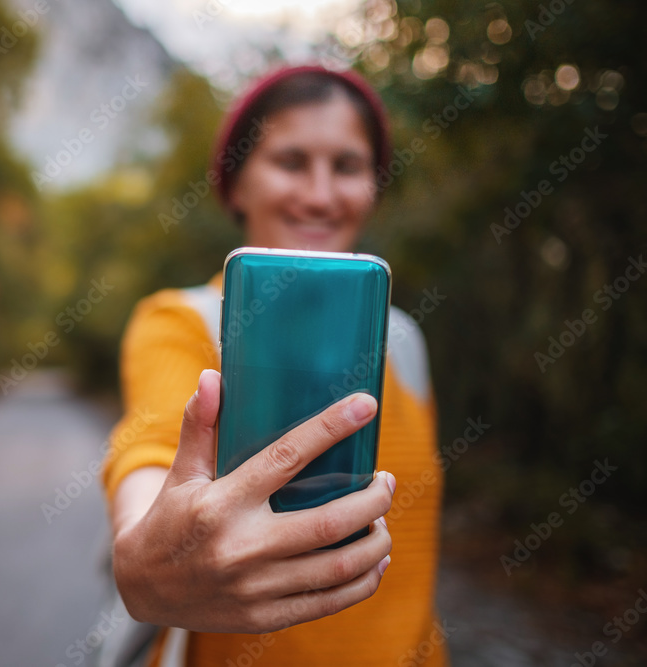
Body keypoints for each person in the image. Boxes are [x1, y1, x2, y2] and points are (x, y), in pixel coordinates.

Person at [101, 64, 446, 666]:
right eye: (290, 161)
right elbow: (149, 448)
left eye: (347, 166)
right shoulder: (182, 321)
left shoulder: (405, 340)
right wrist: (143, 549)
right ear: (235, 186)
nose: (319, 194)